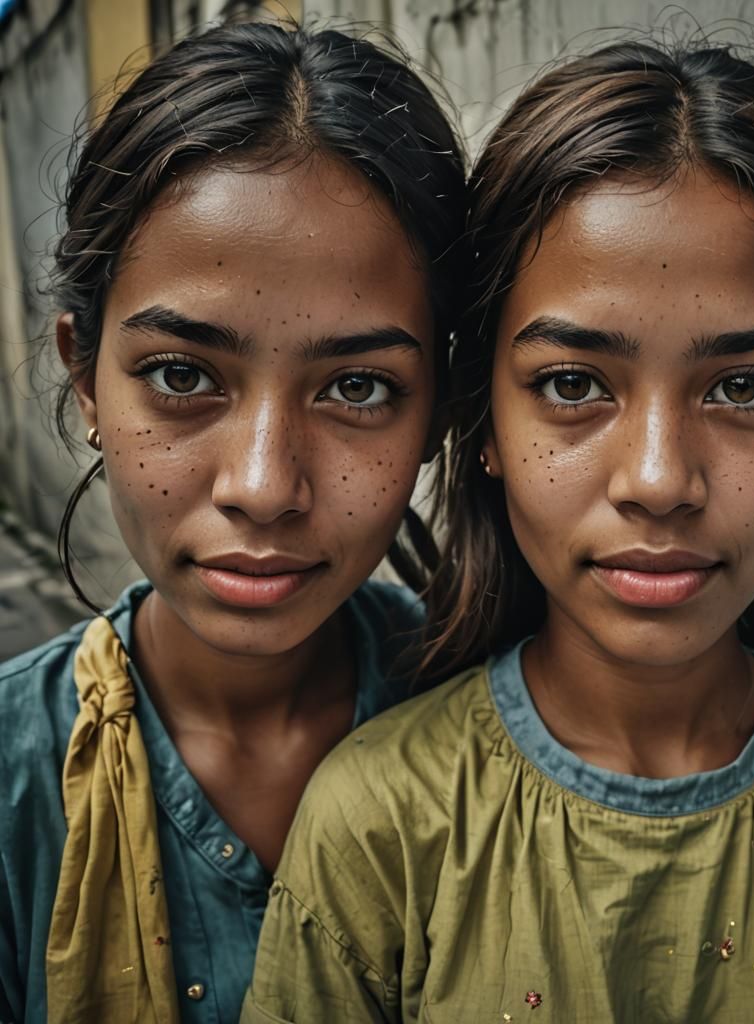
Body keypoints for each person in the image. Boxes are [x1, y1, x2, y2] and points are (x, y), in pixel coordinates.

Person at [242, 39, 754, 1023]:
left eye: (743, 386)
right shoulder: (381, 821)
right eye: (572, 385)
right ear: (482, 420)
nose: (659, 480)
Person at [0, 20, 465, 1024]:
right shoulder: (11, 786)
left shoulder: (520, 729)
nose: (263, 485)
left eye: (356, 386)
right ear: (84, 373)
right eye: (182, 376)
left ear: (436, 409)